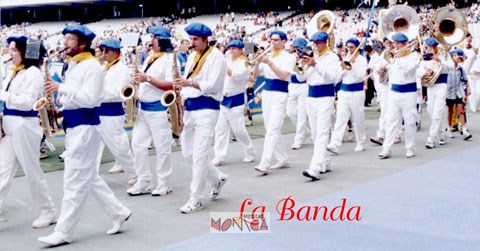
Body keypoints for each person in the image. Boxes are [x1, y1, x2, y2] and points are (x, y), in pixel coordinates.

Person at [38, 24, 131, 246]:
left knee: (73, 181)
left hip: (86, 128)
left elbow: (90, 99)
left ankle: (64, 231)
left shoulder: (92, 66)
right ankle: (118, 212)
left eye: (70, 39)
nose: (65, 43)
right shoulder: (75, 65)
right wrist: (61, 105)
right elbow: (76, 96)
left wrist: (61, 88)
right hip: (75, 125)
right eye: (65, 39)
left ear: (82, 43)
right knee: (89, 177)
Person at [0, 35, 57, 228]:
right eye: (10, 49)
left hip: (24, 124)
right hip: (10, 122)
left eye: (14, 49)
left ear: (24, 52)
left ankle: (48, 211)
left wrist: (2, 94)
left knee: (32, 171)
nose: (10, 52)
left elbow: (27, 102)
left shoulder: (33, 72)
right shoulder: (14, 71)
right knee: (2, 170)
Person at [173, 22, 228, 214]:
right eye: (190, 39)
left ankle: (195, 199)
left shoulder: (217, 58)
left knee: (200, 155)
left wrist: (188, 82)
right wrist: (182, 94)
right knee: (188, 153)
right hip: (191, 107)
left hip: (207, 107)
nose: (192, 43)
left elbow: (212, 85)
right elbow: (188, 82)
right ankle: (217, 178)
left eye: (195, 40)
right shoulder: (192, 56)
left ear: (206, 40)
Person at [127, 26, 175, 197]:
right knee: (137, 145)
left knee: (162, 147)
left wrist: (146, 78)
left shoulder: (169, 59)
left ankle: (164, 183)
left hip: (159, 109)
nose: (150, 40)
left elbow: (171, 84)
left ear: (161, 40)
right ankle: (144, 180)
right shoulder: (150, 58)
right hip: (143, 108)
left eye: (154, 37)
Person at [296, 31, 341, 180]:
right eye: (314, 42)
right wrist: (300, 65)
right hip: (311, 96)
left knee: (322, 133)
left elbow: (332, 78)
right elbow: (301, 78)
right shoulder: (311, 56)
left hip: (325, 96)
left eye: (318, 42)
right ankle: (325, 161)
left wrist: (315, 64)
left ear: (325, 42)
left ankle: (314, 168)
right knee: (316, 134)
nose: (315, 45)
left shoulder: (332, 57)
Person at [252, 30, 296, 174]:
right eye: (271, 40)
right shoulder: (268, 55)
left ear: (284, 41)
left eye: (276, 40)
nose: (272, 42)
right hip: (267, 92)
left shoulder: (289, 56)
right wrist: (257, 62)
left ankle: (265, 163)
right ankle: (282, 158)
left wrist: (269, 62)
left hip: (280, 93)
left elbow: (283, 75)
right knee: (270, 127)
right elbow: (255, 76)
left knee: (272, 129)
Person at [96, 38, 136, 184]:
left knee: (118, 145)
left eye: (106, 51)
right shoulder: (105, 67)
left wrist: (96, 88)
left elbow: (117, 92)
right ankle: (91, 175)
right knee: (94, 146)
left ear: (116, 52)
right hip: (99, 109)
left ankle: (134, 172)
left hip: (111, 110)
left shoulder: (122, 69)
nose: (103, 53)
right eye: (102, 50)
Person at [212, 39, 255, 167]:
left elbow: (235, 76)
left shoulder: (244, 63)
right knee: (220, 129)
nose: (231, 50)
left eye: (234, 48)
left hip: (236, 98)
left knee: (238, 130)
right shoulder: (228, 60)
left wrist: (223, 63)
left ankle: (249, 151)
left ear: (241, 50)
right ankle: (219, 156)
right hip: (223, 98)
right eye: (230, 48)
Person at [378, 33, 420, 159]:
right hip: (394, 92)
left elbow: (408, 69)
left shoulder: (414, 56)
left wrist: (398, 58)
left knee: (410, 121)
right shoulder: (393, 57)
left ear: (404, 44)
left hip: (409, 93)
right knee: (391, 121)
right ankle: (386, 148)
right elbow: (389, 76)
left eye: (397, 44)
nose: (394, 46)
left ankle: (410, 147)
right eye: (394, 43)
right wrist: (382, 70)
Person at [327, 37, 367, 154]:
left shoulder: (362, 60)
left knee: (358, 118)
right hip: (344, 92)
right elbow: (338, 78)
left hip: (357, 92)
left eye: (352, 47)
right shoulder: (344, 58)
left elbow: (361, 77)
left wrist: (352, 65)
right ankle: (335, 143)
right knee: (340, 118)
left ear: (357, 48)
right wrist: (344, 67)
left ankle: (360, 141)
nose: (349, 49)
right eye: (348, 47)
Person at [417, 37, 453, 149]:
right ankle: (442, 133)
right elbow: (418, 71)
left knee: (437, 113)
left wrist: (440, 60)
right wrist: (425, 72)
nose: (431, 48)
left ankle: (431, 139)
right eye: (429, 46)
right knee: (431, 112)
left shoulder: (445, 54)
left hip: (442, 84)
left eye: (433, 46)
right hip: (430, 85)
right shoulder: (425, 57)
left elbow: (452, 67)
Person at [287, 37, 310, 150]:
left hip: (304, 86)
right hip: (292, 85)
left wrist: (299, 63)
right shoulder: (291, 57)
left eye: (298, 48)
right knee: (290, 112)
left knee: (302, 114)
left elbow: (302, 77)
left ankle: (298, 139)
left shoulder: (307, 58)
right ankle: (304, 132)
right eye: (295, 47)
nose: (296, 50)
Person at [446, 49, 473, 140]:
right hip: (449, 93)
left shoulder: (461, 68)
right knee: (450, 111)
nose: (457, 57)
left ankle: (464, 130)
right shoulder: (447, 67)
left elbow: (466, 79)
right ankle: (449, 128)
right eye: (454, 56)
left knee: (461, 110)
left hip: (459, 91)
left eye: (458, 56)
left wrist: (468, 88)